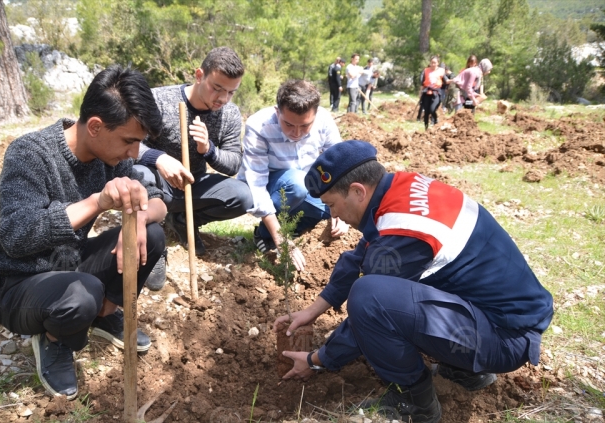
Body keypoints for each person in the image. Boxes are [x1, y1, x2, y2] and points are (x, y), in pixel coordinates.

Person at [275, 140, 554, 423]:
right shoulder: (400, 189)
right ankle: (464, 369)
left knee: (368, 295)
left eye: (332, 204)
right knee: (392, 293)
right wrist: (314, 310)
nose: (332, 214)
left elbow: (368, 313)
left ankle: (414, 402)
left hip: (503, 339)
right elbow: (361, 254)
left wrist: (317, 360)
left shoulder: (403, 231)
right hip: (500, 321)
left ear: (358, 191)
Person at [0, 66, 168, 400]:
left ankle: (103, 313)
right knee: (82, 292)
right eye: (130, 141)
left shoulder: (111, 157)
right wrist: (97, 202)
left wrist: (141, 219)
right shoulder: (30, 153)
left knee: (152, 235)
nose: (133, 153)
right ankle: (56, 340)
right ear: (96, 126)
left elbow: (158, 204)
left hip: (70, 264)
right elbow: (17, 236)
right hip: (19, 284)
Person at [134, 46, 253, 290]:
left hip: (194, 185)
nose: (222, 98)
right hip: (157, 183)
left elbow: (233, 164)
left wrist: (208, 149)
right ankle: (154, 241)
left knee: (242, 196)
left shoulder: (229, 114)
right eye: (217, 88)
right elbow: (129, 145)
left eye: (231, 92)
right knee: (141, 175)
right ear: (199, 75)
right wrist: (159, 158)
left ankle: (184, 219)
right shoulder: (159, 100)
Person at [238, 79, 349, 272]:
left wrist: (341, 212)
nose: (296, 133)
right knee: (297, 184)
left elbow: (339, 164)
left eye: (305, 126)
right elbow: (256, 183)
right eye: (288, 124)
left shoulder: (324, 120)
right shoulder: (259, 125)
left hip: (307, 184)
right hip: (275, 184)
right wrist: (280, 237)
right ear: (277, 111)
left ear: (315, 114)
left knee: (328, 212)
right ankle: (265, 233)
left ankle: (295, 228)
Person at [419, 56, 449, 130]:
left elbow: (447, 80)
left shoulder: (441, 71)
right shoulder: (426, 70)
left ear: (437, 63)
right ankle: (426, 128)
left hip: (436, 93)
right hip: (427, 92)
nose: (433, 64)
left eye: (434, 63)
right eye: (432, 62)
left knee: (432, 110)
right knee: (426, 111)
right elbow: (422, 83)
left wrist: (455, 80)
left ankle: (436, 121)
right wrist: (420, 93)